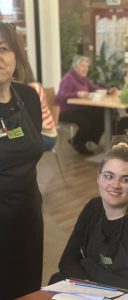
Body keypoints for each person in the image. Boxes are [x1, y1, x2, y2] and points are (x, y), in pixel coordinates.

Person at [52, 135, 128, 291]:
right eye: (109, 176)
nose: (115, 185)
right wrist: (89, 288)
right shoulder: (92, 208)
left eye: (125, 179)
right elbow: (68, 260)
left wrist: (98, 280)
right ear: (98, 177)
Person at [0, 22, 43, 299]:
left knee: (28, 290)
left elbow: (34, 149)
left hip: (29, 216)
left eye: (3, 49)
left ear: (16, 55)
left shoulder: (28, 97)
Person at [55, 55, 104, 154]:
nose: (85, 69)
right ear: (76, 67)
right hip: (64, 111)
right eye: (82, 66)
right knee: (86, 122)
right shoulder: (68, 78)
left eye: (87, 66)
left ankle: (87, 139)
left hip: (77, 108)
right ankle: (77, 142)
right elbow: (61, 96)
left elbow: (93, 88)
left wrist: (108, 89)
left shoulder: (83, 78)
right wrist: (77, 94)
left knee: (101, 115)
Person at [23, 63, 57, 151]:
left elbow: (25, 122)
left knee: (7, 143)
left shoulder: (33, 88)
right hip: (32, 133)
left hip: (45, 135)